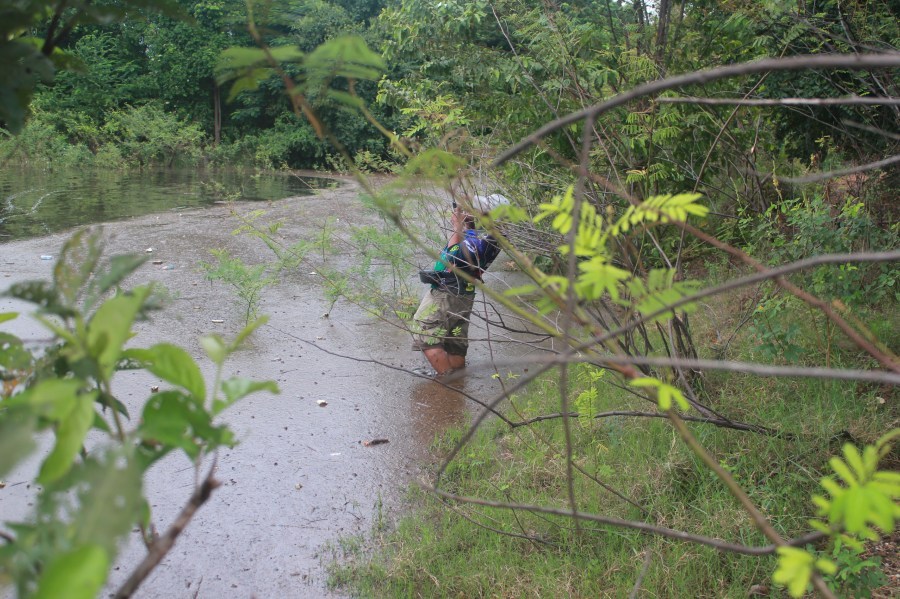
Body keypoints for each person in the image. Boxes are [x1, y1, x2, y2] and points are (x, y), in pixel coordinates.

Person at [411, 195, 507, 377]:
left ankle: (448, 384)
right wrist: (466, 223)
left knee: (425, 332)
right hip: (463, 294)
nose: (471, 210)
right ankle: (458, 380)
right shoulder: (492, 236)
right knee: (454, 341)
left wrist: (457, 227)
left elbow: (449, 258)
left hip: (447, 292)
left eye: (477, 209)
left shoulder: (475, 243)